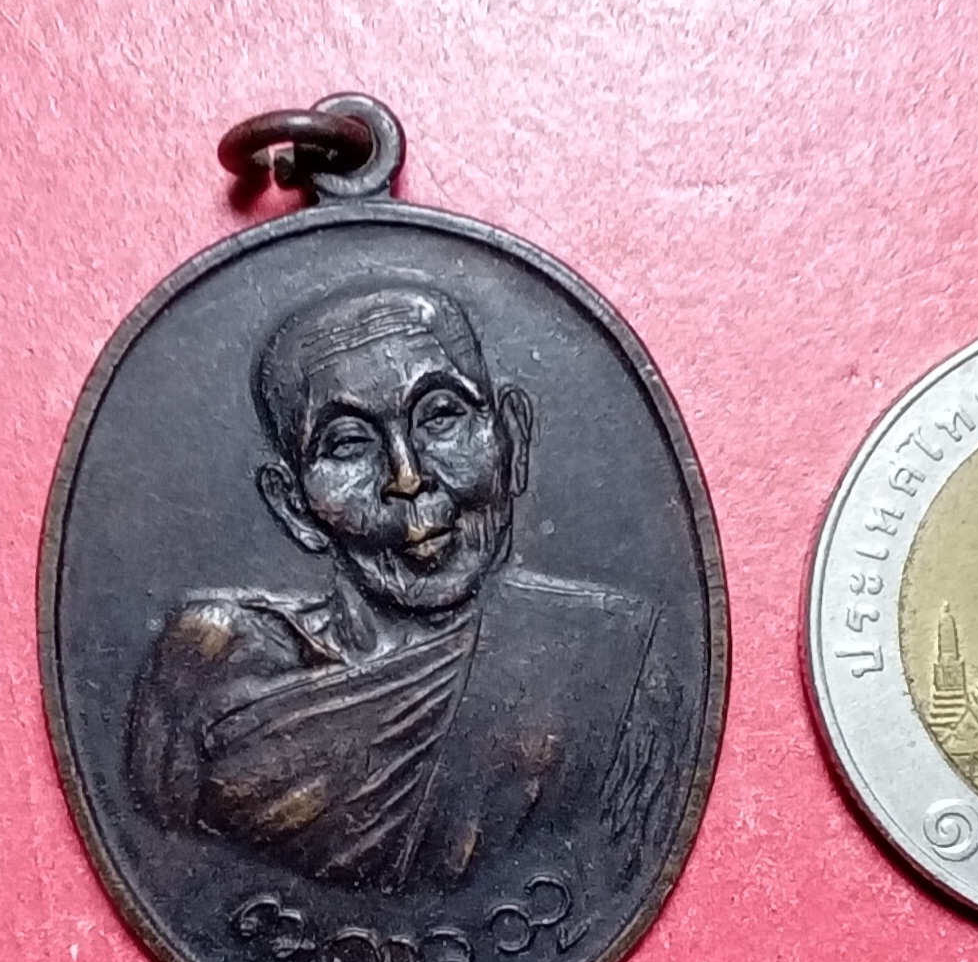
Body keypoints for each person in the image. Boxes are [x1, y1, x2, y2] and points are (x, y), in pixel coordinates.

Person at [128, 283, 680, 892]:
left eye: (441, 415)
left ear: (512, 438)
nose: (407, 476)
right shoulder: (213, 673)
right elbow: (168, 872)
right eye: (348, 443)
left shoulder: (614, 668)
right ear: (293, 507)